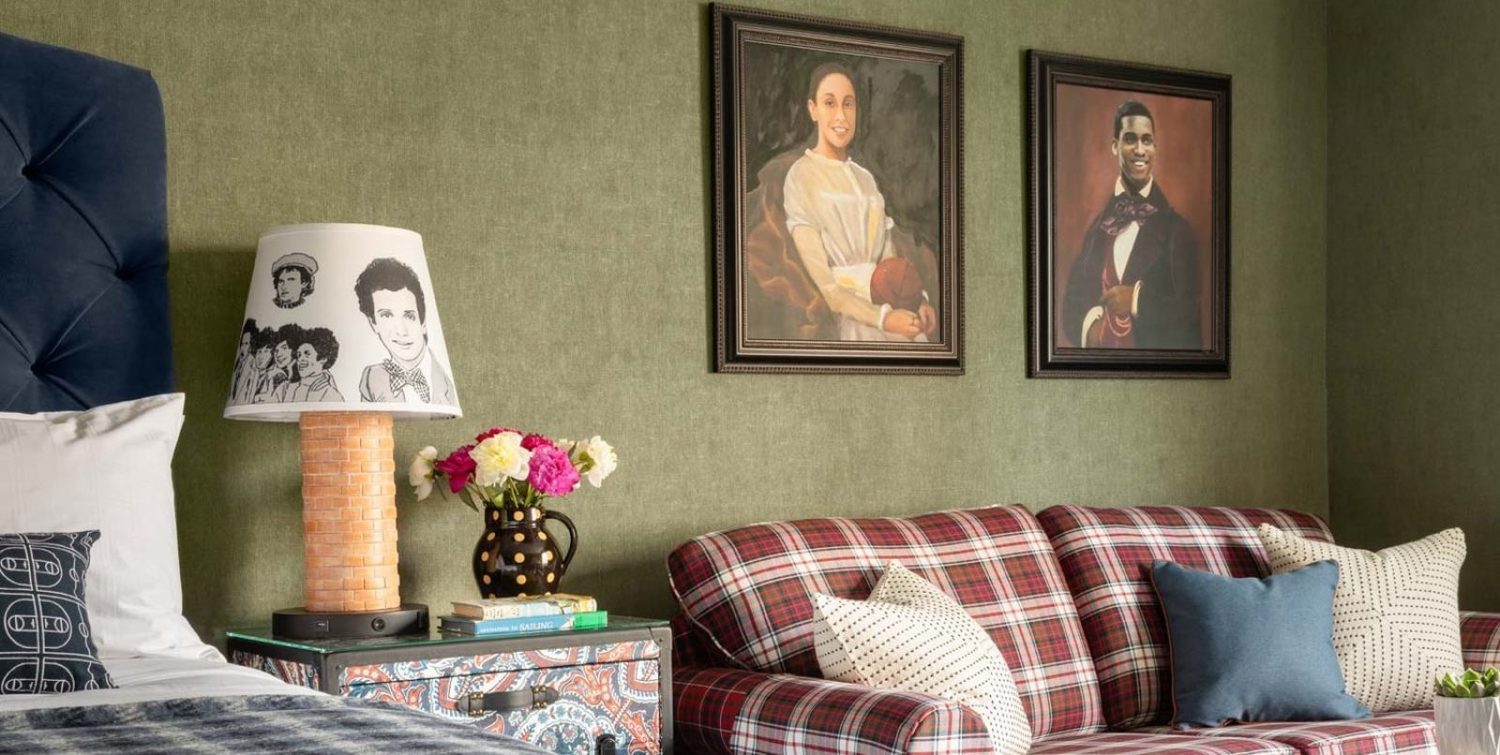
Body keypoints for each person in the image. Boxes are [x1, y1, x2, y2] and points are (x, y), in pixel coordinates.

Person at [781, 62, 937, 342]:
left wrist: (916, 301)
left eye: (848, 104)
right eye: (830, 103)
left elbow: (889, 263)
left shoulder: (865, 179)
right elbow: (828, 288)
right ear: (813, 109)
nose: (841, 115)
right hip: (853, 317)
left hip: (894, 311)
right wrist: (882, 318)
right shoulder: (801, 176)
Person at [1062, 100, 1202, 350]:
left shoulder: (1178, 231)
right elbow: (1072, 302)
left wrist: (1136, 300)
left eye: (1147, 140)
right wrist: (1091, 329)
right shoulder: (1097, 230)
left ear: (1155, 148)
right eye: (1130, 139)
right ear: (1115, 146)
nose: (1140, 150)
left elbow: (1189, 315)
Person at [353, 257, 455, 405]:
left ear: (423, 322)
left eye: (409, 316)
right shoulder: (371, 378)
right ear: (373, 323)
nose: (401, 331)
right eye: (387, 315)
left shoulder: (447, 381)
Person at [276, 327, 343, 402]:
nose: (300, 359)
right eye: (299, 355)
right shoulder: (286, 389)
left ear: (323, 358)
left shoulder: (331, 395)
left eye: (307, 354)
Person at [228, 319, 258, 404]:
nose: (242, 348)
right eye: (242, 344)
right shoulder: (238, 364)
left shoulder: (254, 365)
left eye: (246, 344)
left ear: (251, 345)